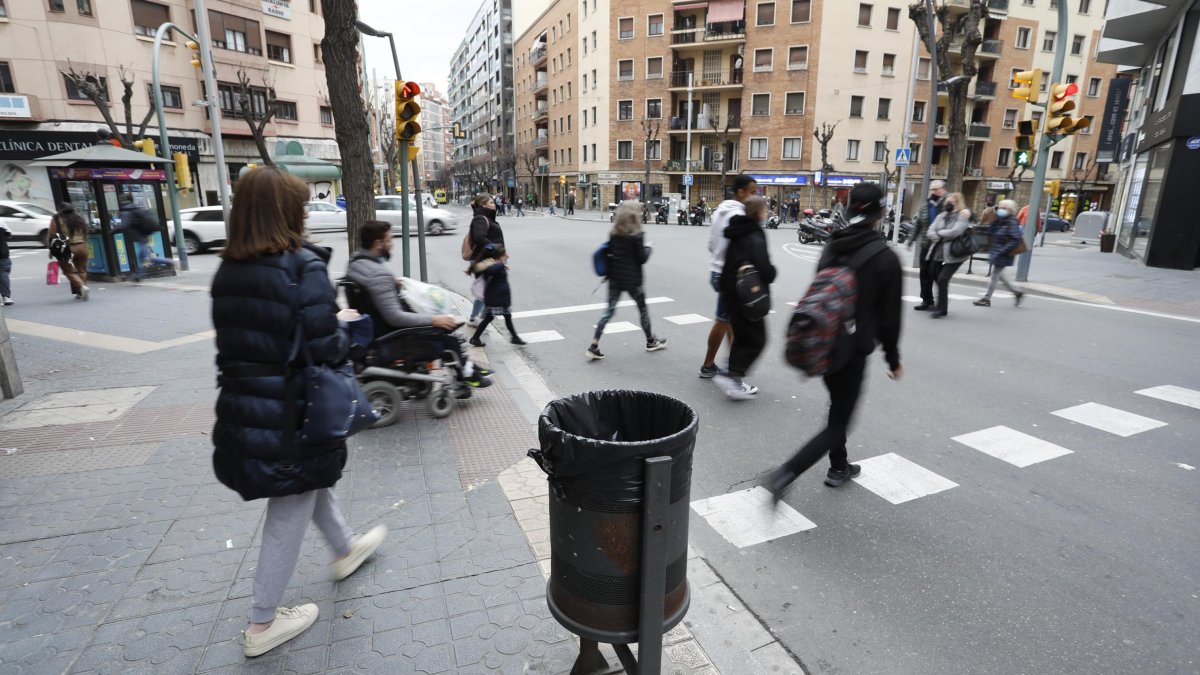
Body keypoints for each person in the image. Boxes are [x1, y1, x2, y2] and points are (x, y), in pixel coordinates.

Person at [209, 167, 387, 658]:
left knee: (307, 482)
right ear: (285, 212)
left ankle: (345, 548)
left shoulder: (228, 270)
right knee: (291, 503)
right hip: (292, 409)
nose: (306, 215)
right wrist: (343, 324)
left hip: (247, 406)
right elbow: (325, 347)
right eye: (302, 207)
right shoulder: (298, 265)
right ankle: (262, 622)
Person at [766, 182, 903, 499]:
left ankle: (839, 465)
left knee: (837, 407)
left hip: (823, 342)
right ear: (881, 213)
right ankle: (786, 473)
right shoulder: (886, 259)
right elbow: (890, 320)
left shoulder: (833, 245)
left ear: (849, 208)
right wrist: (893, 360)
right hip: (852, 351)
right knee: (840, 423)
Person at [345, 220, 492, 388]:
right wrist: (434, 320)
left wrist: (391, 283)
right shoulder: (378, 275)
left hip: (376, 330)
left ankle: (468, 367)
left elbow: (377, 289)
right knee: (447, 336)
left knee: (445, 328)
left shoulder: (356, 263)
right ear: (378, 244)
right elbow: (395, 317)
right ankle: (466, 374)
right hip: (391, 338)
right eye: (389, 240)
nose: (392, 244)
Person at [586, 202, 668, 360]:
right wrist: (648, 248)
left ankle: (594, 345)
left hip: (615, 278)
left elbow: (611, 254)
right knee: (642, 310)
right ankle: (650, 341)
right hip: (633, 280)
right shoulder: (637, 235)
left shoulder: (614, 233)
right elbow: (642, 259)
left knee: (609, 311)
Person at [714, 196, 775, 399]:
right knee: (758, 340)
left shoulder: (736, 229)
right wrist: (772, 272)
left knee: (741, 338)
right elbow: (765, 270)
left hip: (731, 291)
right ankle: (732, 376)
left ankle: (733, 379)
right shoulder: (755, 234)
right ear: (760, 212)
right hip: (747, 297)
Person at [700, 175, 757, 378]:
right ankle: (711, 366)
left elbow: (711, 244)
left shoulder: (719, 211)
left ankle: (731, 365)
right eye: (752, 192)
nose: (755, 196)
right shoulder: (740, 215)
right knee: (724, 320)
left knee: (731, 321)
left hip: (716, 270)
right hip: (730, 275)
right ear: (741, 192)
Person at [924, 191, 972, 319]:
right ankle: (941, 304)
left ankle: (941, 309)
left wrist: (939, 234)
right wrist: (940, 235)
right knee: (935, 275)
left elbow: (955, 232)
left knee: (943, 279)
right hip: (939, 252)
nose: (948, 204)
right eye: (947, 202)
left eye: (951, 202)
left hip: (956, 253)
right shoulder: (941, 215)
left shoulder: (962, 216)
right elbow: (930, 231)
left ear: (958, 203)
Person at [468, 245, 526, 347]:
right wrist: (501, 264)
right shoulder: (494, 266)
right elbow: (490, 272)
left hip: (498, 298)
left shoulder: (494, 265)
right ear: (500, 256)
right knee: (490, 318)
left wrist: (501, 264)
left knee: (504, 316)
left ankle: (514, 337)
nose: (507, 256)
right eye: (505, 255)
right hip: (496, 298)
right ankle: (475, 338)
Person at [974, 199, 1025, 307]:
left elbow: (1015, 239)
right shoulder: (1002, 220)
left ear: (1010, 210)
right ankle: (1017, 292)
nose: (1000, 210)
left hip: (1003, 253)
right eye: (999, 208)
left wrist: (1002, 251)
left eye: (1003, 208)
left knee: (995, 275)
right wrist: (996, 220)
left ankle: (986, 298)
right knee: (999, 275)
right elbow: (992, 232)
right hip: (998, 251)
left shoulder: (1011, 222)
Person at [116, 195, 174, 281]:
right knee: (144, 257)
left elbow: (125, 225)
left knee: (143, 257)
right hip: (143, 235)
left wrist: (112, 231)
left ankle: (139, 276)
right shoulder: (135, 208)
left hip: (141, 237)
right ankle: (167, 262)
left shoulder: (127, 210)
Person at [467, 194, 504, 325]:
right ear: (483, 205)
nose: (494, 204)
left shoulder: (487, 217)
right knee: (484, 290)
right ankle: (476, 318)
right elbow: (479, 238)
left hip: (488, 259)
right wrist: (495, 249)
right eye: (491, 203)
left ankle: (480, 317)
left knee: (487, 289)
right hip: (482, 260)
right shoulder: (480, 218)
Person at [912, 180, 946, 311]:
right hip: (926, 245)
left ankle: (941, 303)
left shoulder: (948, 203)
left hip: (940, 246)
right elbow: (918, 224)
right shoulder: (926, 205)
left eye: (936, 189)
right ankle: (927, 300)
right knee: (924, 273)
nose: (934, 192)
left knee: (937, 275)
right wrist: (910, 239)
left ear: (942, 190)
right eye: (932, 189)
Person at [48, 202, 89, 300]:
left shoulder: (57, 218)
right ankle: (80, 293)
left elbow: (51, 235)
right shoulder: (79, 217)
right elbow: (85, 232)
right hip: (82, 246)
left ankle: (82, 287)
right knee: (81, 269)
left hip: (67, 248)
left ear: (59, 209)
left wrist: (51, 250)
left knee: (69, 271)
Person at [0, 218, 11, 305]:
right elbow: (9, 234)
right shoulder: (1, 221)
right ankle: (6, 297)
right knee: (4, 274)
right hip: (2, 252)